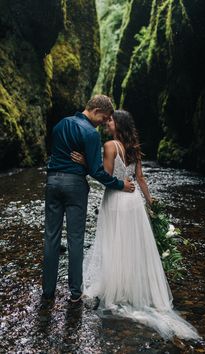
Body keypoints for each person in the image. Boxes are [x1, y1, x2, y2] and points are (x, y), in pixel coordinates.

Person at [71, 110, 199, 340]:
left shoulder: (110, 146)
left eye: (110, 120)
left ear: (118, 124)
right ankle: (134, 288)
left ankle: (118, 288)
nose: (107, 123)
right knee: (131, 245)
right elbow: (140, 178)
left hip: (116, 199)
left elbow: (105, 176)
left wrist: (86, 164)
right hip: (134, 202)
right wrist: (151, 203)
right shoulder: (134, 147)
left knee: (114, 243)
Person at [42, 96, 135, 303]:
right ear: (95, 110)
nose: (104, 122)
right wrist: (120, 185)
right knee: (75, 240)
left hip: (52, 182)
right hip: (74, 186)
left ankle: (47, 292)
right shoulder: (90, 134)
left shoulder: (59, 125)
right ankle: (75, 293)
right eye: (104, 118)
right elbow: (97, 172)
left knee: (51, 238)